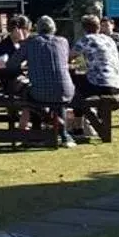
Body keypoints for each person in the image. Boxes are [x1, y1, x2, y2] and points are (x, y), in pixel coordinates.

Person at [25, 15, 78, 145]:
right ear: (54, 29)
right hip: (66, 91)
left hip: (40, 93)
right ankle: (64, 135)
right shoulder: (63, 42)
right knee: (58, 98)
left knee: (27, 94)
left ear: (37, 29)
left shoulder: (31, 42)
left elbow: (12, 64)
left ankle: (37, 131)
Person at [73, 12, 119, 130]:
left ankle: (78, 126)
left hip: (101, 85)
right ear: (98, 27)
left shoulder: (86, 39)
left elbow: (68, 57)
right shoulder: (109, 40)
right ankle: (90, 122)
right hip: (117, 84)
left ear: (84, 28)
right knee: (82, 79)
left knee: (75, 90)